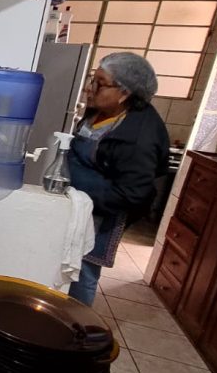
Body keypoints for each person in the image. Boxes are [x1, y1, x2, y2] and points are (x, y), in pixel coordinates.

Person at [66, 52, 170, 305]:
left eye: (100, 84)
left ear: (125, 93)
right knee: (65, 268)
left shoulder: (139, 136)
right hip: (76, 206)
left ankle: (76, 332)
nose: (91, 89)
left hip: (101, 216)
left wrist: (83, 199)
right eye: (93, 80)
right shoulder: (101, 111)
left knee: (83, 275)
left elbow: (134, 193)